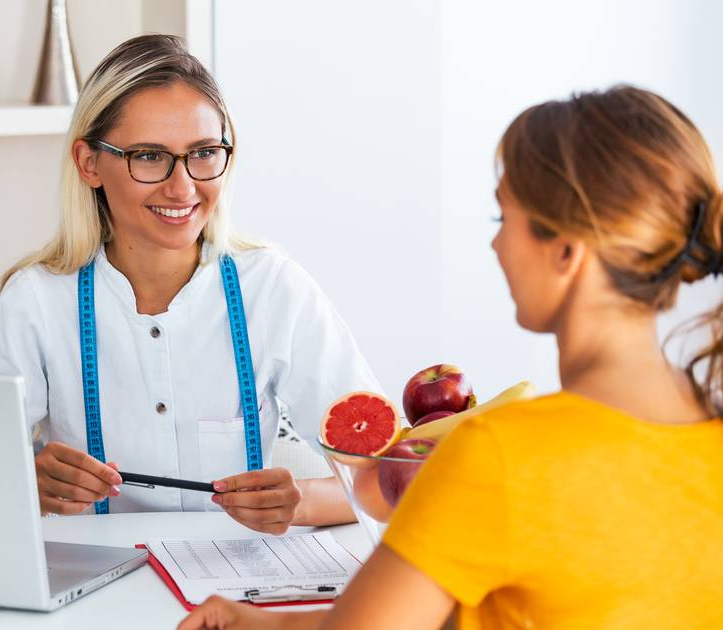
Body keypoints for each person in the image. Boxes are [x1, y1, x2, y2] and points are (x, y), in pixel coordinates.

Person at [178, 85, 723, 629]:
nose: (496, 247)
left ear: (565, 252)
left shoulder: (501, 455)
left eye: (502, 219)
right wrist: (270, 624)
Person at [0, 35, 380, 533]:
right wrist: (28, 486)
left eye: (204, 152)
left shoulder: (273, 289)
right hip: (96, 594)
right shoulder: (35, 302)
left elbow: (385, 478)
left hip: (235, 593)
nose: (182, 187)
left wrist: (301, 503)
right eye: (148, 156)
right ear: (89, 163)